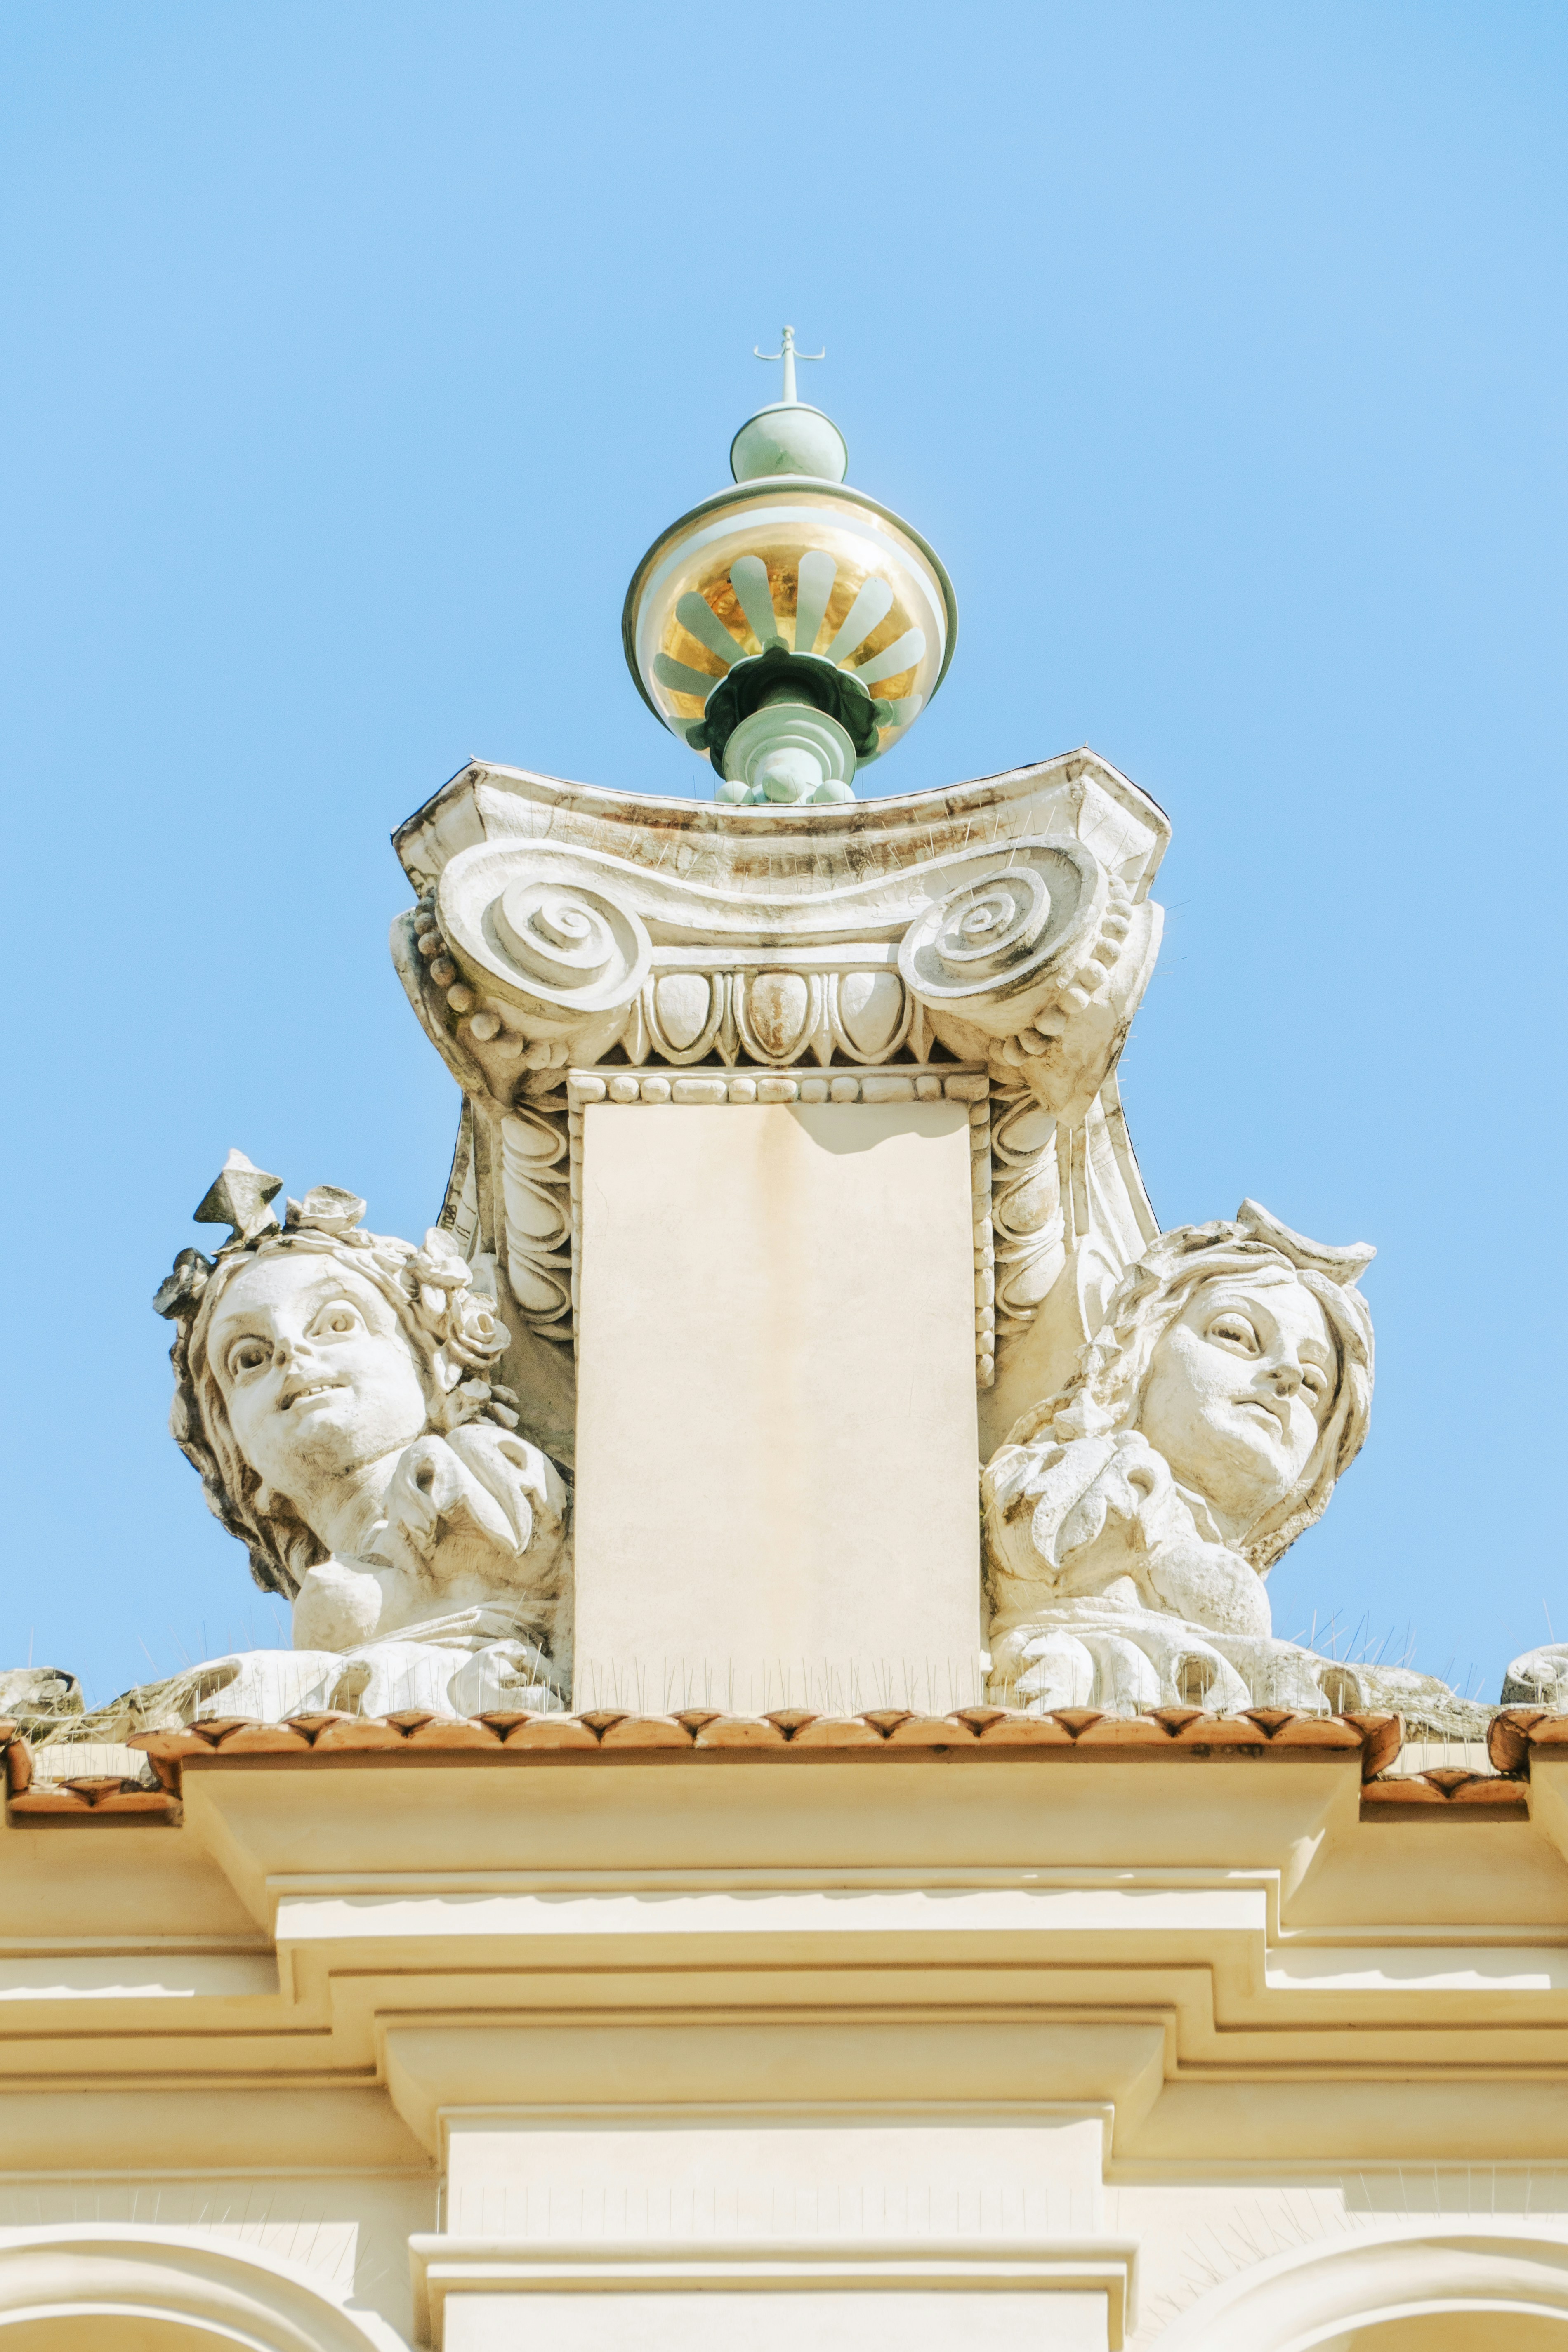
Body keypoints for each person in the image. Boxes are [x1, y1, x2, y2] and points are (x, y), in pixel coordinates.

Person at [154, 1182, 570, 1719]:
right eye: (250, 1357)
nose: (292, 1350)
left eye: (336, 1322)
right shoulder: (333, 1573)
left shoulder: (474, 1475)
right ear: (234, 1448)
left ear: (436, 1359)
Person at [982, 1200, 1373, 1713]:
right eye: (1235, 1334)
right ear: (1141, 1349)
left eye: (1314, 1384)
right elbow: (1037, 1544)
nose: (1288, 1376)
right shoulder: (1093, 1473)